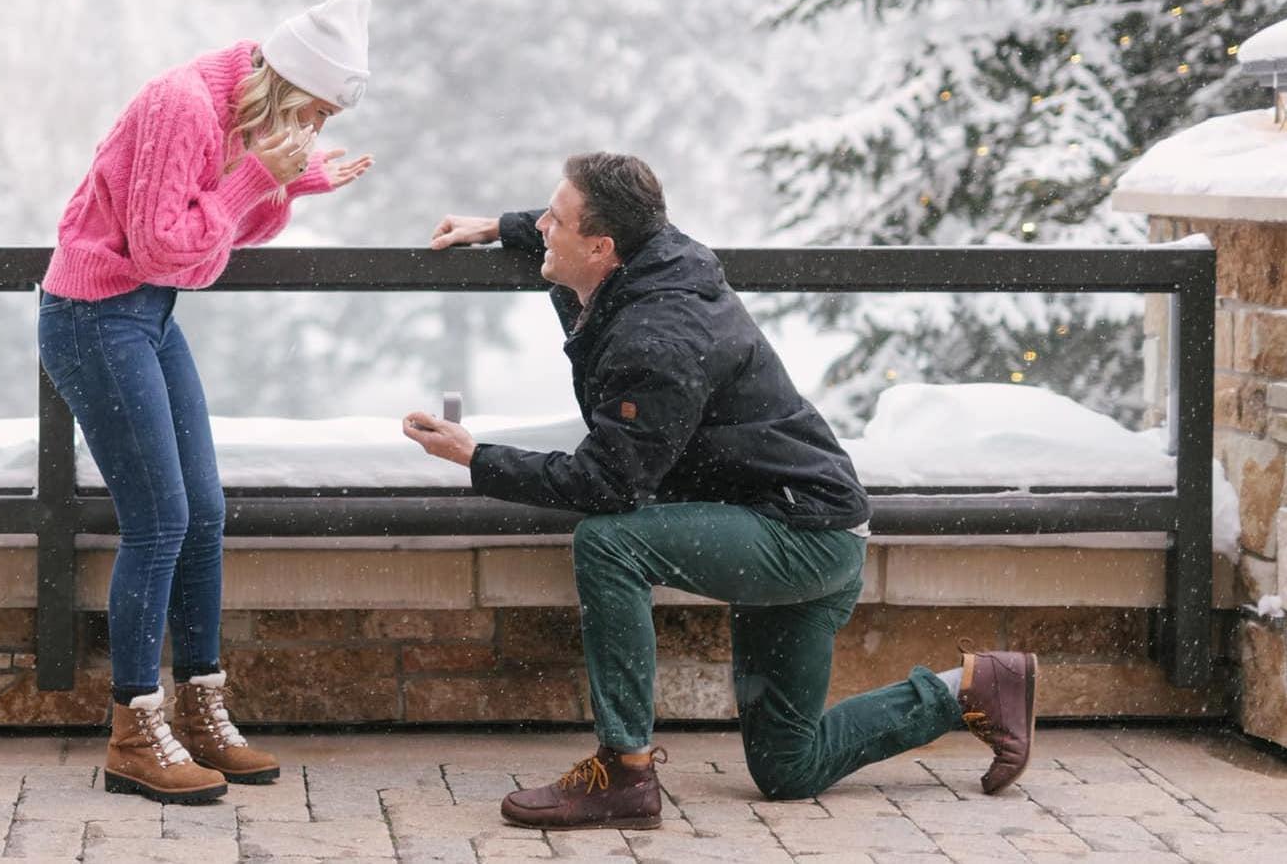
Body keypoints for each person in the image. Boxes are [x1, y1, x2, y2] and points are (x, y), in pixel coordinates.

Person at [402, 152, 1035, 830]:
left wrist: (477, 457)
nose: (541, 228)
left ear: (601, 247)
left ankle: (624, 771)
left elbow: (609, 482)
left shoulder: (658, 335)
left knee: (609, 543)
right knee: (789, 768)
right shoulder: (652, 254)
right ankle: (972, 687)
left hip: (800, 537)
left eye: (553, 220)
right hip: (801, 521)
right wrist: (497, 227)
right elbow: (589, 224)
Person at [39, 0, 375, 804]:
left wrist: (286, 185)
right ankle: (134, 731)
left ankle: (199, 706)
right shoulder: (182, 104)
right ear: (289, 82)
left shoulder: (235, 115)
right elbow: (164, 247)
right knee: (159, 519)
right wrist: (259, 177)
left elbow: (215, 238)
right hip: (95, 316)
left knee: (203, 511)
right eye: (317, 110)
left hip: (148, 315)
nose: (315, 128)